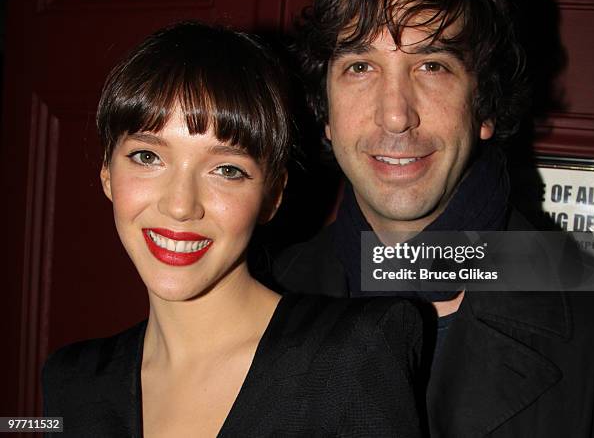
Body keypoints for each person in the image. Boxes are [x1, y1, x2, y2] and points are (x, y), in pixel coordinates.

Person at [273, 0, 594, 438]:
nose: (394, 116)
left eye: (432, 65)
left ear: (484, 106)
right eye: (360, 67)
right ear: (325, 112)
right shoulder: (266, 297)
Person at [41, 22, 425, 437]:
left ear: (272, 197)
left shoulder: (349, 358)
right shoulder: (71, 384)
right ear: (106, 174)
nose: (180, 205)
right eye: (148, 157)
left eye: (226, 169)